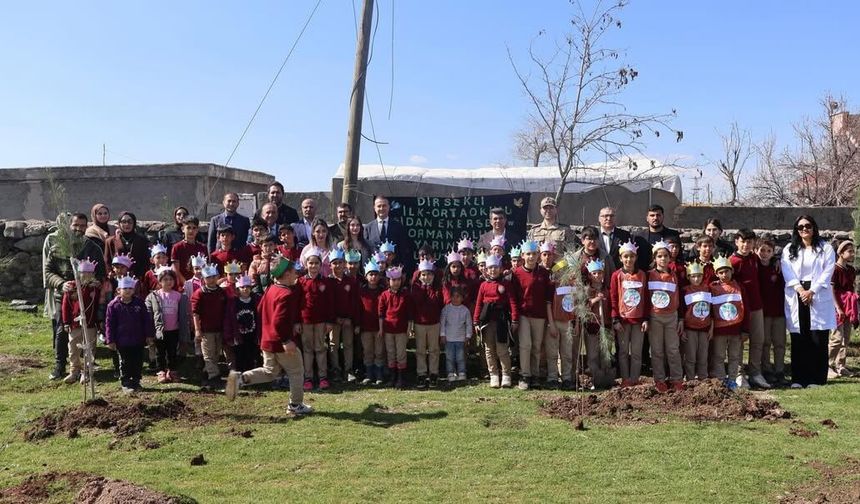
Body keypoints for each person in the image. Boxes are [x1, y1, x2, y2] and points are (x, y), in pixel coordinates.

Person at [225, 256, 314, 416]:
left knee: (270, 371)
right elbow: (279, 322)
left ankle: (240, 378)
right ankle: (295, 405)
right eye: (294, 272)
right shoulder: (286, 294)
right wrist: (286, 340)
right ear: (286, 274)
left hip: (267, 340)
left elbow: (260, 309)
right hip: (280, 342)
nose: (296, 274)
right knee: (296, 371)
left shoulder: (271, 289)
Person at [44, 212, 106, 381]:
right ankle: (60, 365)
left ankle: (86, 367)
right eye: (75, 225)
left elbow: (101, 273)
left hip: (87, 298)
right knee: (62, 330)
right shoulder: (57, 248)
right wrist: (60, 283)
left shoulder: (93, 248)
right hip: (64, 297)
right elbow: (48, 271)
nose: (79, 229)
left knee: (88, 332)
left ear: (87, 227)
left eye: (82, 226)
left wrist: (94, 282)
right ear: (69, 226)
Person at [781, 215, 836, 389]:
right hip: (797, 292)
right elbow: (787, 270)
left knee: (817, 337)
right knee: (799, 336)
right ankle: (799, 378)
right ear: (796, 230)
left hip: (817, 292)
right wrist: (800, 290)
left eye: (808, 226)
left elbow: (828, 271)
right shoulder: (789, 249)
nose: (804, 229)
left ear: (814, 227)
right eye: (800, 227)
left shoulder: (825, 248)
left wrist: (812, 291)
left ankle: (817, 378)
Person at [511, 239, 555, 390]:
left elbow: (548, 295)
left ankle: (535, 374)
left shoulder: (544, 273)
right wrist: (515, 317)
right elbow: (514, 297)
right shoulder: (516, 274)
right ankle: (525, 375)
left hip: (539, 315)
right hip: (524, 314)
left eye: (534, 254)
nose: (531, 257)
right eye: (528, 254)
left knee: (536, 346)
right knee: (525, 345)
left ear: (538, 255)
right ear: (523, 255)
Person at [730, 228, 769, 389]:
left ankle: (755, 372)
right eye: (743, 241)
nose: (746, 245)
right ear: (737, 242)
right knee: (739, 341)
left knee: (758, 340)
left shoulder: (754, 258)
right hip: (739, 308)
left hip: (756, 305)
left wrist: (775, 261)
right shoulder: (732, 261)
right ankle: (739, 373)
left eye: (749, 242)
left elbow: (767, 261)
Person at [104, 274, 155, 394]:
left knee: (137, 361)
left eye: (130, 288)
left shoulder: (139, 303)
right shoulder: (113, 305)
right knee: (125, 361)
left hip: (138, 339)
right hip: (122, 340)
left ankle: (136, 380)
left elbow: (146, 320)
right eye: (125, 288)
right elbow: (109, 324)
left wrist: (149, 335)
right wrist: (110, 340)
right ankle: (126, 382)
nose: (127, 291)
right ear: (118, 290)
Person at [474, 254, 518, 388]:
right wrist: (476, 321)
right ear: (486, 270)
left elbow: (512, 302)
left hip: (501, 321)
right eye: (490, 268)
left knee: (502, 348)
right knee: (489, 349)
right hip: (487, 321)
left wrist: (515, 320)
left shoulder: (506, 284)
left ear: (500, 268)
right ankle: (493, 375)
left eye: (495, 267)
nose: (493, 270)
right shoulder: (483, 285)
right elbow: (479, 304)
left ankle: (506, 375)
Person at [610, 241, 649, 387]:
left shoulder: (642, 275)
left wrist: (646, 318)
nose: (629, 259)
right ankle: (625, 379)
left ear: (636, 257)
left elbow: (646, 298)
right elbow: (613, 298)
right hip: (623, 320)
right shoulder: (616, 275)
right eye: (625, 256)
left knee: (637, 352)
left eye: (631, 256)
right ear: (621, 258)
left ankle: (634, 378)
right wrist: (615, 319)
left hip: (638, 320)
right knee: (623, 351)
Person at [191, 263, 236, 389]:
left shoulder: (221, 292)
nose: (211, 280)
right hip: (206, 330)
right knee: (209, 354)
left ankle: (206, 374)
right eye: (208, 277)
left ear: (217, 277)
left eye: (213, 277)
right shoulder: (199, 293)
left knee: (216, 353)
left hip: (219, 328)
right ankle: (214, 377)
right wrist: (197, 330)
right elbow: (195, 313)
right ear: (203, 279)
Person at [647, 241, 683, 393]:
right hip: (655, 316)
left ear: (670, 258)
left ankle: (677, 379)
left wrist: (680, 318)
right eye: (660, 256)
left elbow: (679, 297)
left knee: (673, 349)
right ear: (655, 258)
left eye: (665, 256)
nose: (663, 259)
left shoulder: (675, 275)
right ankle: (660, 380)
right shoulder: (649, 275)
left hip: (671, 316)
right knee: (657, 350)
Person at [60, 258, 102, 384]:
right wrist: (66, 322)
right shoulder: (72, 287)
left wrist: (98, 322)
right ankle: (74, 371)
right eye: (83, 273)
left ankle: (87, 371)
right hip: (74, 324)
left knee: (89, 348)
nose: (86, 275)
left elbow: (98, 305)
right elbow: (65, 306)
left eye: (89, 273)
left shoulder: (95, 289)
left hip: (89, 324)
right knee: (73, 348)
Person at [145, 267, 189, 384]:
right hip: (160, 330)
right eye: (165, 279)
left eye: (171, 279)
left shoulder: (178, 296)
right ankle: (161, 371)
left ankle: (172, 370)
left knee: (172, 352)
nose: (168, 282)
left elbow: (183, 314)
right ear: (160, 281)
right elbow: (149, 313)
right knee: (160, 352)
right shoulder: (154, 296)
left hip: (174, 330)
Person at [299, 249, 335, 391]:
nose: (313, 266)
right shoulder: (300, 282)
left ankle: (323, 377)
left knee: (320, 348)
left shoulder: (326, 282)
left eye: (316, 263)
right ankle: (308, 378)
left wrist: (330, 321)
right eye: (311, 263)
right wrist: (296, 322)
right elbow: (297, 303)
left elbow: (330, 303)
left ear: (320, 265)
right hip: (305, 321)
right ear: (306, 264)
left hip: (321, 322)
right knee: (307, 350)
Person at [710, 256, 746, 389]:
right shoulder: (712, 288)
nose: (724, 275)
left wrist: (745, 329)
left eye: (727, 271)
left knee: (734, 356)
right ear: (716, 274)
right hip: (719, 330)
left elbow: (745, 308)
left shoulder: (739, 287)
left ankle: (732, 379)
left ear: (732, 271)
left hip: (736, 329)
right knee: (719, 356)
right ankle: (720, 380)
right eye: (721, 272)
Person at [756, 234, 787, 385]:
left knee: (779, 343)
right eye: (762, 250)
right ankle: (767, 370)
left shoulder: (778, 267)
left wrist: (777, 261)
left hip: (779, 310)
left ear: (773, 253)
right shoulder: (755, 266)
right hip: (763, 311)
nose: (765, 254)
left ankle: (780, 370)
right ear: (756, 250)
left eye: (768, 251)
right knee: (765, 342)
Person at [378, 266, 413, 388]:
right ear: (388, 281)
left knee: (401, 353)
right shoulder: (384, 295)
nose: (396, 282)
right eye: (393, 280)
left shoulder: (405, 295)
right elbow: (381, 314)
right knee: (390, 353)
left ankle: (401, 378)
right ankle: (392, 377)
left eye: (398, 280)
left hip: (401, 330)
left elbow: (409, 314)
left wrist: (409, 329)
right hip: (388, 329)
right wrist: (381, 329)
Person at [411, 259, 443, 389]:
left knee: (434, 349)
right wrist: (424, 287)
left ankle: (434, 373)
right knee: (420, 350)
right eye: (423, 274)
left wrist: (429, 288)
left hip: (434, 323)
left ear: (433, 275)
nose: (426, 277)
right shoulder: (416, 288)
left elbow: (435, 301)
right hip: (420, 323)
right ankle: (421, 373)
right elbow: (418, 301)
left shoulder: (437, 288)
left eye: (429, 274)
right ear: (419, 276)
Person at [364, 196, 416, 275]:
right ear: (374, 208)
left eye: (384, 206)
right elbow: (366, 252)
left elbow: (403, 250)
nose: (381, 208)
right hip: (374, 274)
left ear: (389, 207)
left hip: (394, 273)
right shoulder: (368, 228)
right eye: (379, 206)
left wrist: (403, 271)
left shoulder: (398, 227)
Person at [583, 259, 614, 389]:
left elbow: (612, 306)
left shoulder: (607, 290)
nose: (597, 275)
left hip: (605, 324)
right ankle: (596, 378)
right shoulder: (587, 290)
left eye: (600, 273)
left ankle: (606, 376)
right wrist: (595, 299)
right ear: (590, 275)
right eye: (594, 273)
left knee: (605, 353)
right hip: (592, 325)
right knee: (593, 354)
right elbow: (584, 307)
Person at [329, 248, 358, 382]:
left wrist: (350, 318)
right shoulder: (328, 281)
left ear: (344, 264)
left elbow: (354, 302)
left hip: (347, 320)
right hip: (334, 320)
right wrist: (334, 318)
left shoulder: (350, 281)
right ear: (330, 265)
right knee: (333, 344)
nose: (338, 266)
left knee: (348, 344)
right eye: (335, 263)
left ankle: (348, 369)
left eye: (340, 262)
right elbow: (328, 303)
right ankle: (335, 369)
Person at [829, 240, 857, 378]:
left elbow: (852, 288)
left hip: (848, 306)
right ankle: (827, 365)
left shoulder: (851, 270)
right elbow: (832, 290)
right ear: (840, 253)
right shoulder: (834, 269)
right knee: (837, 338)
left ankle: (840, 365)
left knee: (845, 338)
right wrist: (838, 308)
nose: (852, 254)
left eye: (853, 251)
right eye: (849, 251)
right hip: (838, 306)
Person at [681, 262, 712, 380]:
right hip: (690, 329)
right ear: (688, 277)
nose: (696, 279)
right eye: (693, 276)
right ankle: (690, 379)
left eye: (699, 276)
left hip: (704, 328)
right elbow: (682, 311)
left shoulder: (707, 289)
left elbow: (712, 310)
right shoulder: (685, 290)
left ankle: (703, 379)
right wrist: (683, 329)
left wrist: (711, 328)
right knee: (690, 356)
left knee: (703, 356)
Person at [357, 259, 385, 385]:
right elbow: (357, 308)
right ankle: (369, 374)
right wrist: (358, 324)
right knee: (367, 351)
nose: (373, 277)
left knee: (379, 351)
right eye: (371, 274)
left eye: (375, 274)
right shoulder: (362, 291)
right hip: (365, 326)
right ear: (366, 276)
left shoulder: (383, 291)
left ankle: (379, 373)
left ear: (379, 276)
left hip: (378, 327)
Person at [633, 204, 681, 271]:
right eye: (652, 215)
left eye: (658, 215)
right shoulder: (639, 237)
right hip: (644, 274)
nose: (655, 218)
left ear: (663, 217)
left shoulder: (673, 235)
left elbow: (679, 257)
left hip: (667, 274)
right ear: (647, 218)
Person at [104, 211, 150, 279]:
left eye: (130, 221)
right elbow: (107, 261)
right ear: (119, 223)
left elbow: (146, 261)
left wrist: (140, 276)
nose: (127, 224)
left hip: (137, 279)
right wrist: (111, 273)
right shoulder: (110, 241)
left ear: (134, 223)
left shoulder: (142, 240)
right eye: (123, 222)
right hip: (117, 279)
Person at [440, 287, 472, 384]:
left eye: (458, 296)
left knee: (460, 357)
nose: (455, 299)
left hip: (460, 338)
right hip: (449, 338)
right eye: (453, 296)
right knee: (450, 358)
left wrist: (468, 336)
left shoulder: (465, 310)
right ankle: (450, 373)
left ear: (462, 298)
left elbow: (469, 324)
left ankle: (461, 372)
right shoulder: (446, 309)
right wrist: (442, 335)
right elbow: (442, 323)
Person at [232, 274, 261, 372]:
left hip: (252, 335)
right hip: (239, 336)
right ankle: (239, 376)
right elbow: (230, 319)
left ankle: (249, 376)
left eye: (248, 287)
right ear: (238, 289)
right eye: (242, 287)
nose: (245, 289)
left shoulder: (255, 300)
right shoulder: (234, 303)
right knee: (239, 357)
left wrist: (259, 335)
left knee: (251, 357)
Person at [171, 216, 208, 287]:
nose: (191, 231)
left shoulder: (203, 247)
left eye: (194, 228)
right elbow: (176, 269)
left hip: (200, 285)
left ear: (197, 230)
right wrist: (187, 284)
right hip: (183, 286)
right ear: (183, 229)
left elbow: (205, 267)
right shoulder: (177, 247)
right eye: (188, 228)